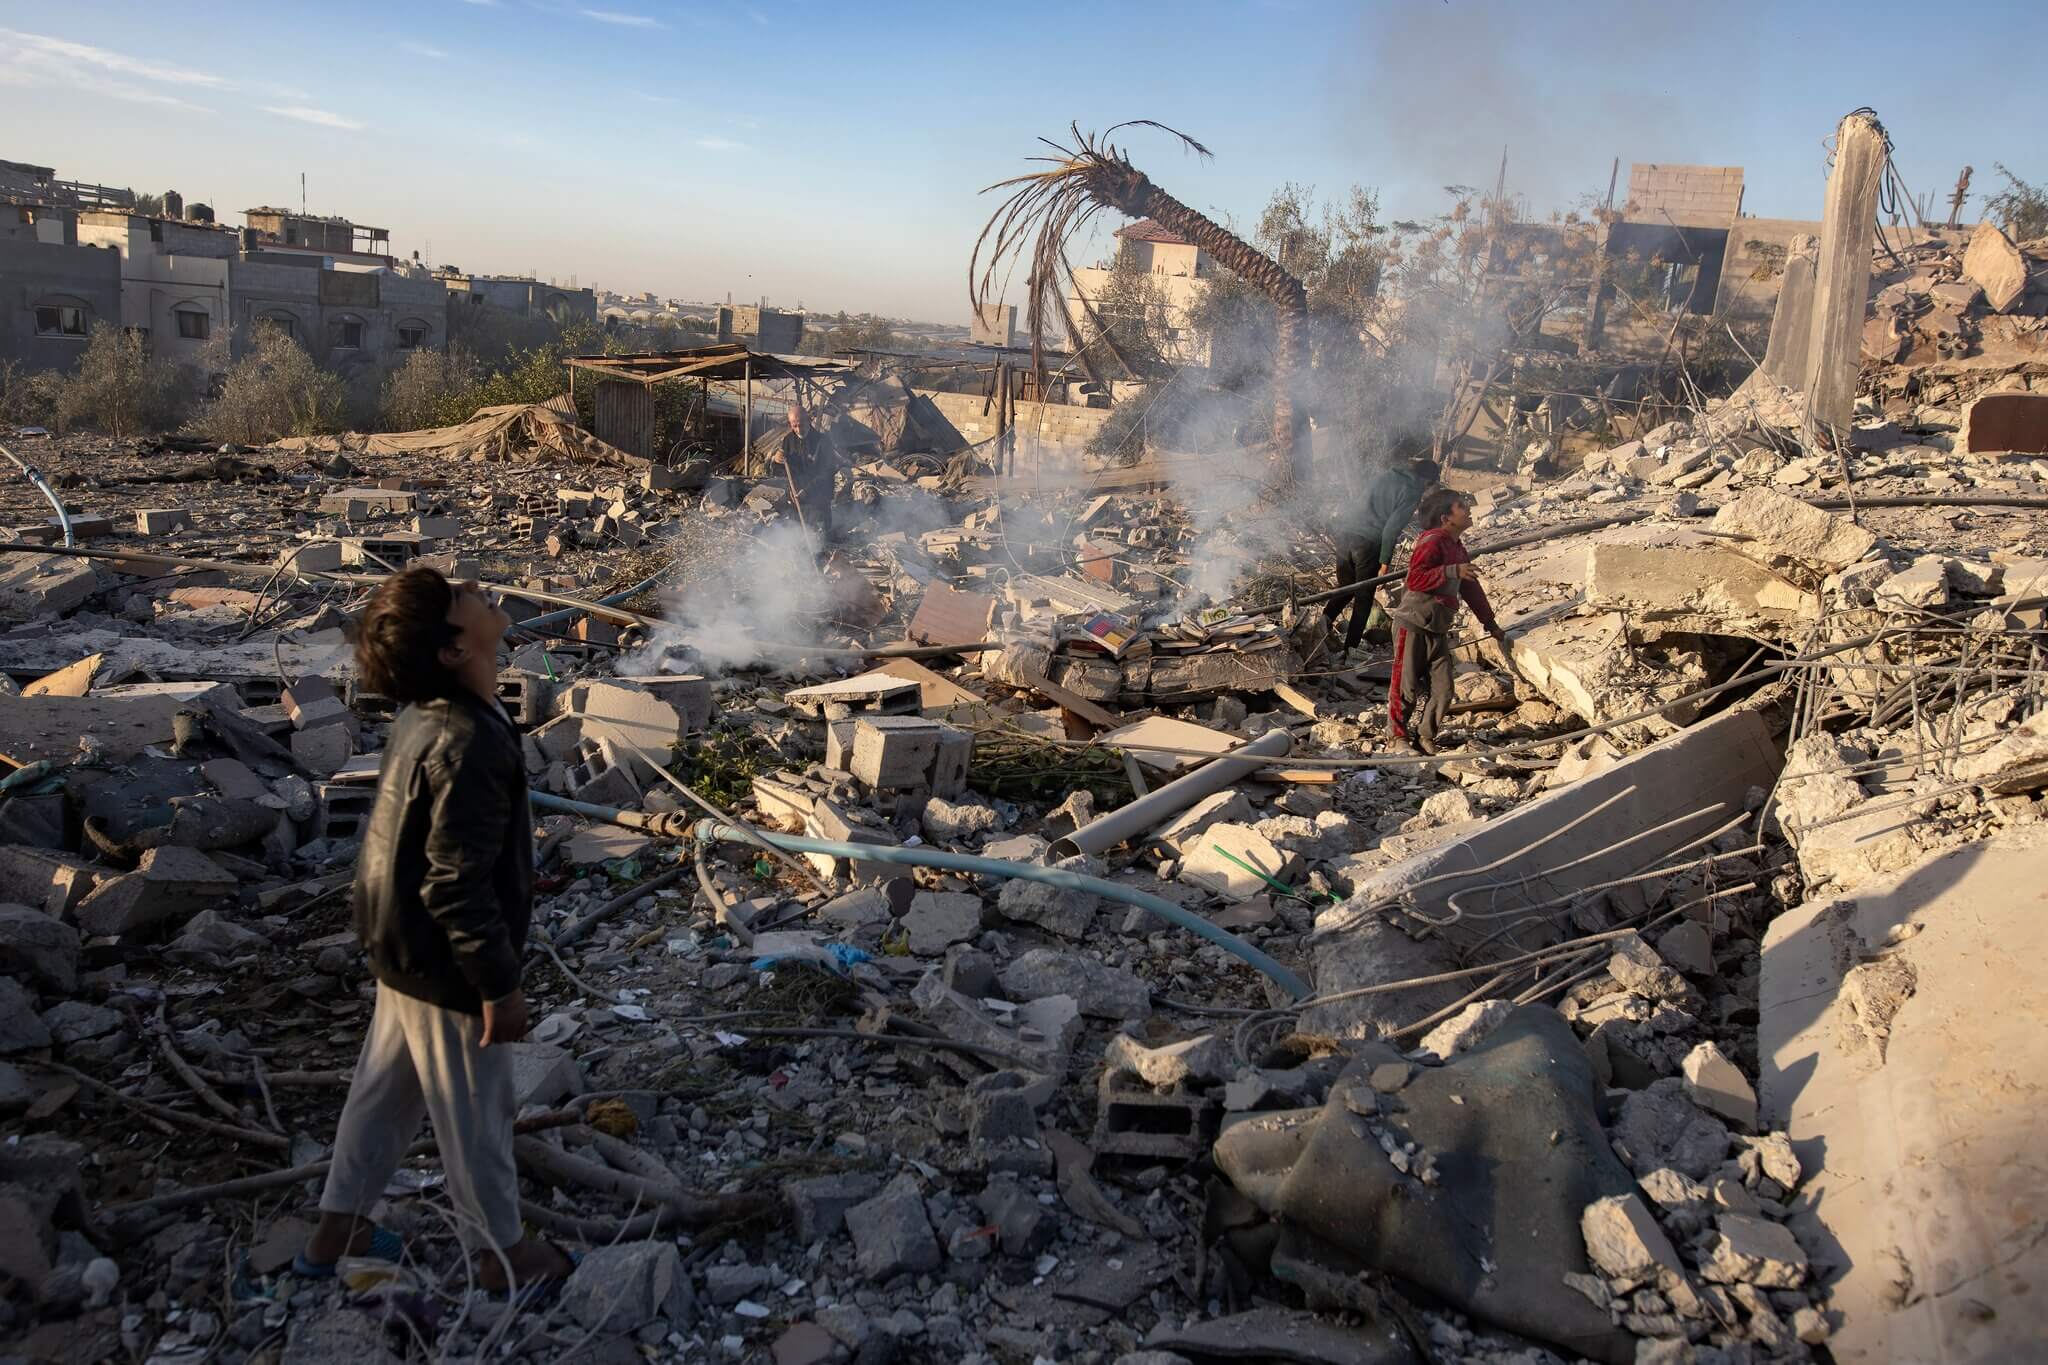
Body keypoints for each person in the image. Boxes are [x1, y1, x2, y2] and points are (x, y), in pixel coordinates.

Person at [297, 567, 575, 1294]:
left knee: (383, 1096)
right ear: (454, 650)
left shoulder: (435, 715)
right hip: (445, 960)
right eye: (461, 596)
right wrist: (498, 985)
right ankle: (500, 1253)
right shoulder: (465, 740)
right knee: (476, 1111)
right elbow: (455, 882)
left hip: (401, 944)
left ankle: (338, 1228)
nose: (478, 587)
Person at [1388, 487, 1507, 754]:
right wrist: (1451, 571)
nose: (1468, 510)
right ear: (1446, 518)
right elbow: (1415, 579)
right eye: (1461, 507)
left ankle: (1425, 736)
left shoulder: (1457, 547)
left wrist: (1490, 624)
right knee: (1405, 686)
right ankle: (1396, 738)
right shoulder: (1431, 542)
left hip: (1438, 628)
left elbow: (1471, 589)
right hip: (1413, 624)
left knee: (1443, 689)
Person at [1322, 438, 1440, 661]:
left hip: (1345, 535)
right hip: (1367, 544)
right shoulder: (1412, 491)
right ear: (1427, 480)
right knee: (1364, 598)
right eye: (1429, 485)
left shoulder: (1385, 476)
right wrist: (1385, 563)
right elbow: (1390, 530)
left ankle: (1320, 627)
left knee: (1345, 588)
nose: (1427, 489)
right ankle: (1349, 650)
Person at [775, 399, 839, 549]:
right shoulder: (788, 440)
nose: (798, 429)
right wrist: (777, 462)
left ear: (808, 420)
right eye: (794, 426)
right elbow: (783, 471)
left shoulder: (823, 441)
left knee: (819, 543)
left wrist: (807, 491)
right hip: (797, 501)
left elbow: (827, 473)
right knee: (797, 543)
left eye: (801, 424)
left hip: (818, 501)